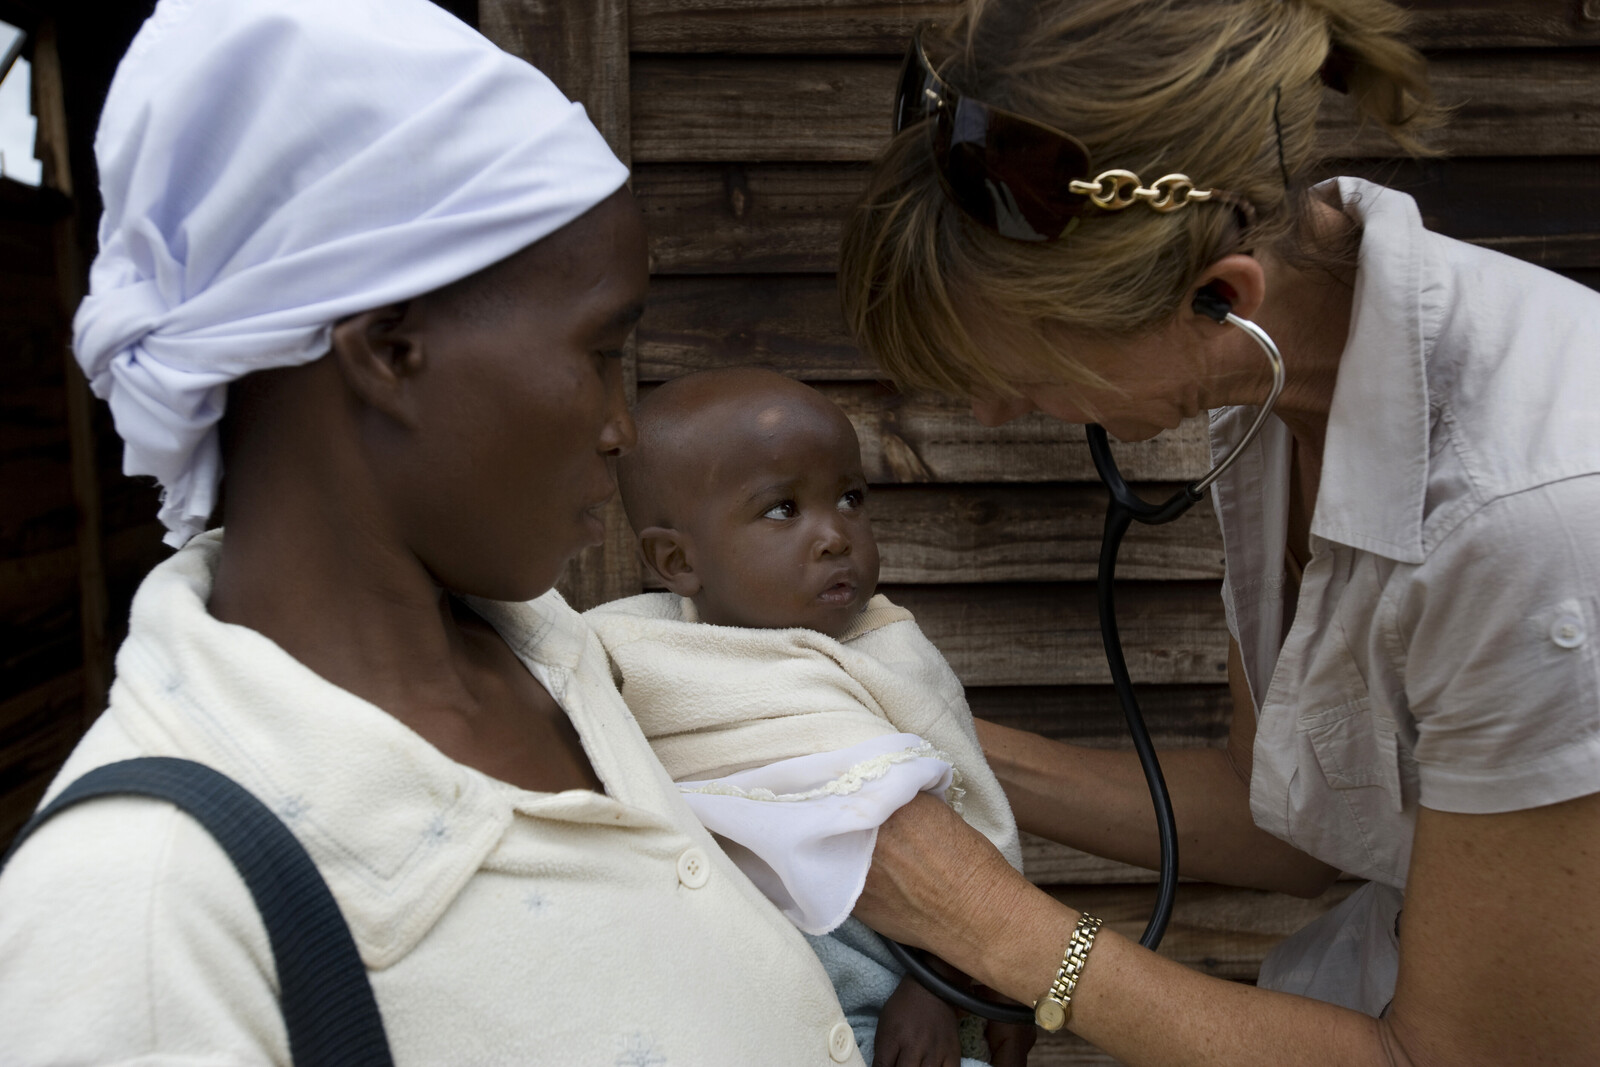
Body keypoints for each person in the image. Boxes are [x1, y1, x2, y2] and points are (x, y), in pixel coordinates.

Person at [0, 2, 874, 1063]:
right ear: (389, 349)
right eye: (601, 350)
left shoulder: (548, 655)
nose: (619, 426)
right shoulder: (140, 908)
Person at [837, 0, 1600, 1063]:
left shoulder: (1535, 522)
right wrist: (895, 739)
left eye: (1024, 370)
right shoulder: (1279, 388)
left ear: (1220, 296)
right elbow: (1286, 824)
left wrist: (988, 924)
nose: (993, 411)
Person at [585, 368, 1034, 1067]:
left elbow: (975, 827)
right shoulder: (633, 649)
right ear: (677, 559)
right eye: (782, 510)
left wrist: (943, 987)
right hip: (718, 988)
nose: (835, 534)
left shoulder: (890, 652)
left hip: (882, 985)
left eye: (850, 498)